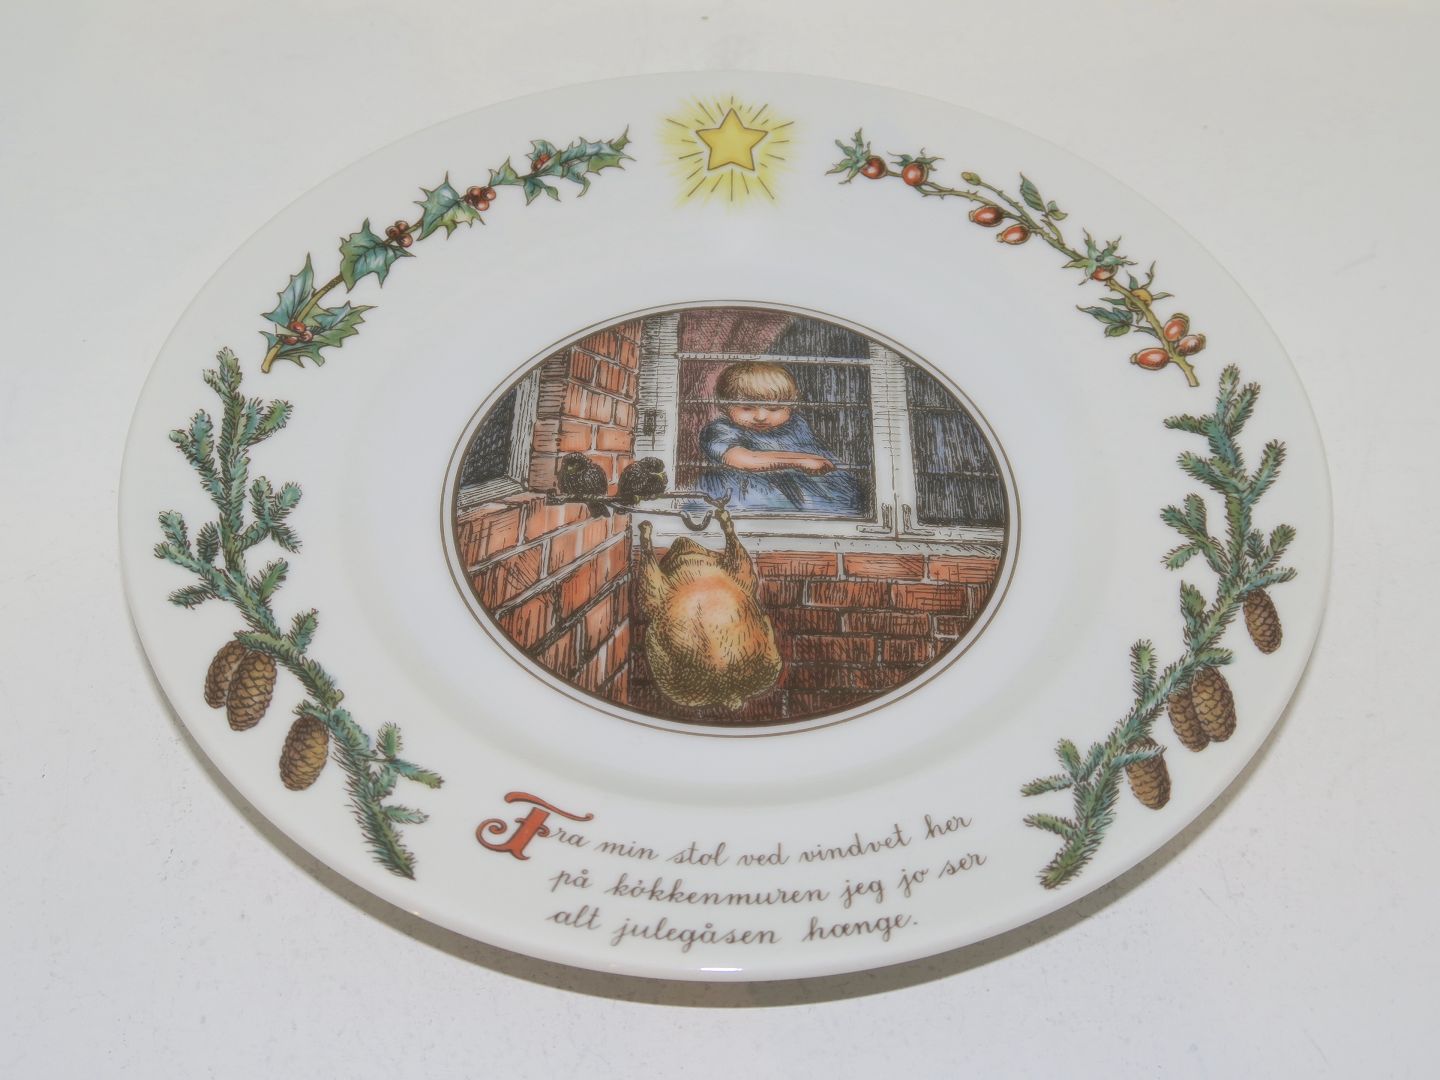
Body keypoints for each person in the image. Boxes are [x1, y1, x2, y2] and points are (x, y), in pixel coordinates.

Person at [695, 362, 863, 515]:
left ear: (791, 405)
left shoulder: (796, 424)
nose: (761, 417)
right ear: (724, 405)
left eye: (774, 408)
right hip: (749, 495)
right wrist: (799, 461)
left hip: (802, 492)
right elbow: (742, 459)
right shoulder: (721, 429)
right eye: (747, 408)